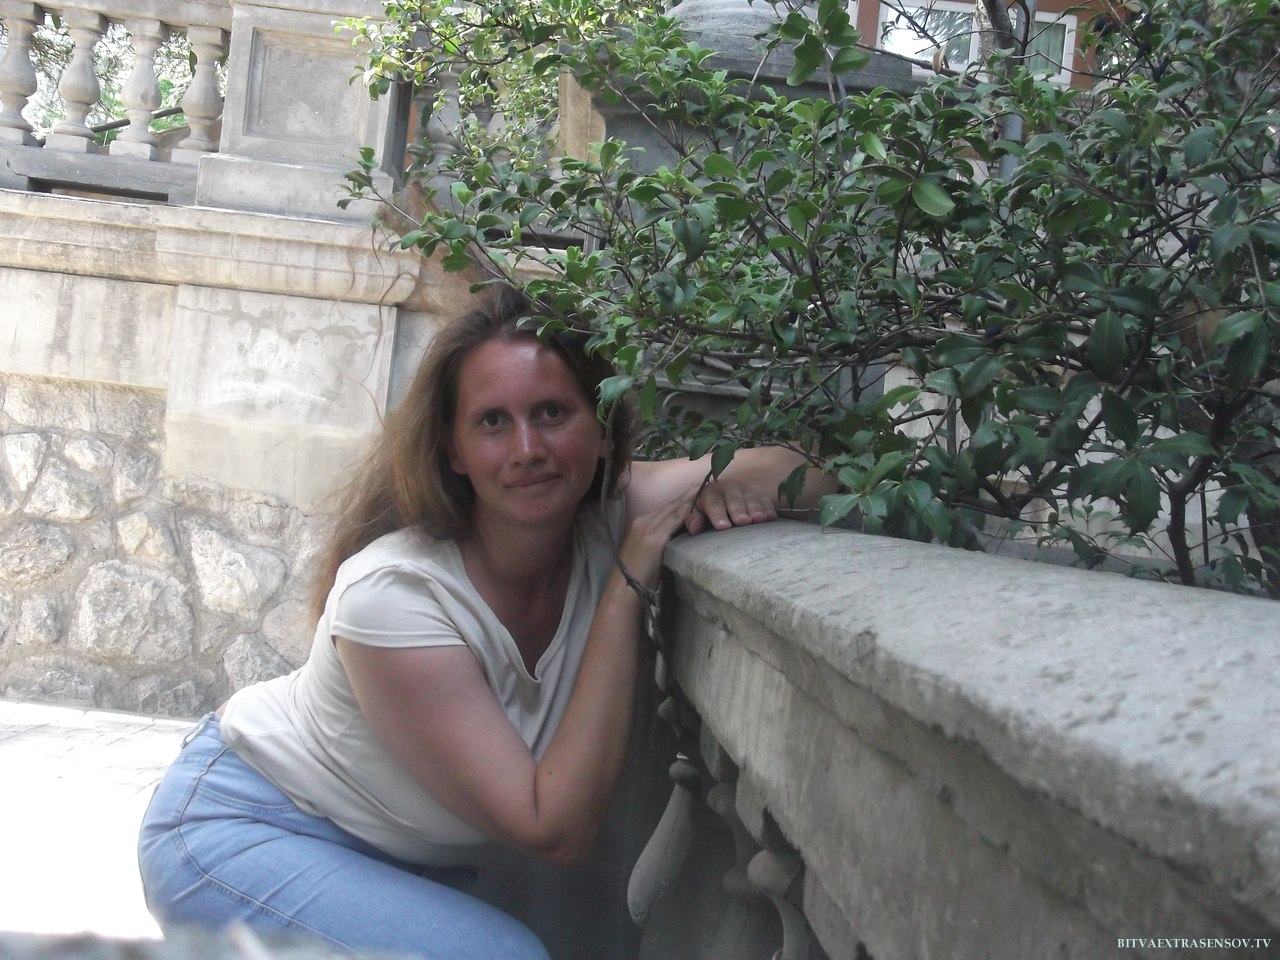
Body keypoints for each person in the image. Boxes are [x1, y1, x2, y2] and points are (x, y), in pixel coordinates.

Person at [137, 283, 823, 960]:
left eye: (552, 413)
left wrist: (720, 491)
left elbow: (807, 473)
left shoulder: (608, 512)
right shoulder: (394, 597)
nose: (527, 448)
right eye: (493, 422)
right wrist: (624, 592)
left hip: (391, 852)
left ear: (601, 429)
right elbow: (554, 828)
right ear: (454, 450)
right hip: (244, 826)